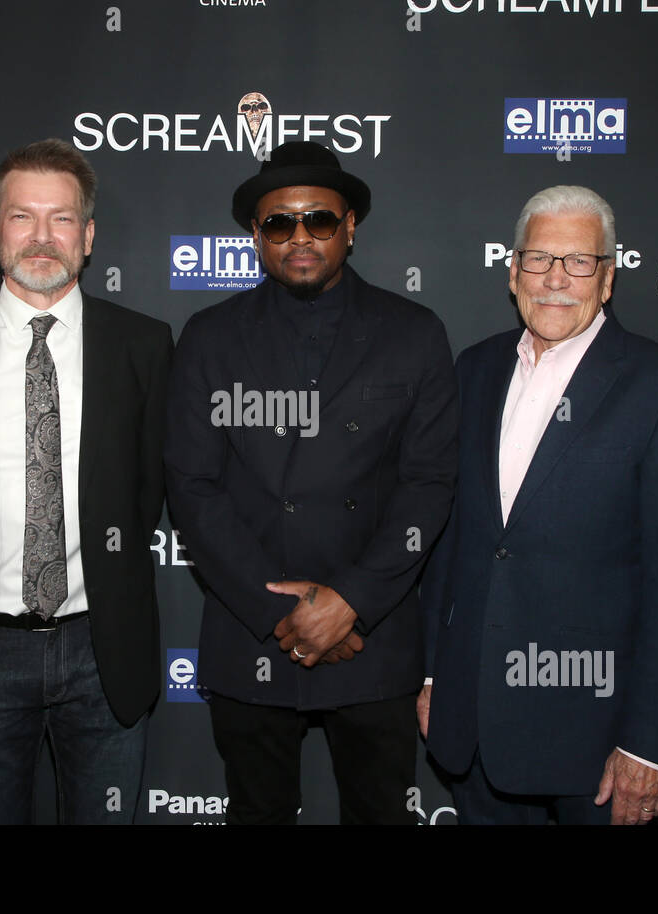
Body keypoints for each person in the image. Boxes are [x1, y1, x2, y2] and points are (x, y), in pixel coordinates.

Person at [165, 141, 458, 824]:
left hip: (373, 635)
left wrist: (350, 599)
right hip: (252, 633)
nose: (300, 237)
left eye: (319, 220)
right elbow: (193, 485)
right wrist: (282, 615)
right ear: (255, 236)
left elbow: (429, 481)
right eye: (279, 223)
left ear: (350, 225)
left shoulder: (413, 333)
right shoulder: (209, 338)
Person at [420, 185, 658, 825]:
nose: (556, 278)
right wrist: (433, 677)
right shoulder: (473, 370)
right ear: (513, 271)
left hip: (599, 742)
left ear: (607, 279)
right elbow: (451, 540)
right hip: (474, 725)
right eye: (538, 259)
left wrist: (651, 744)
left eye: (579, 262)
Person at [0, 139, 171, 824]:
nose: (43, 237)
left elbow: (146, 497)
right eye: (23, 217)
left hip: (102, 650)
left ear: (88, 236)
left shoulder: (143, 345)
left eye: (62, 219)